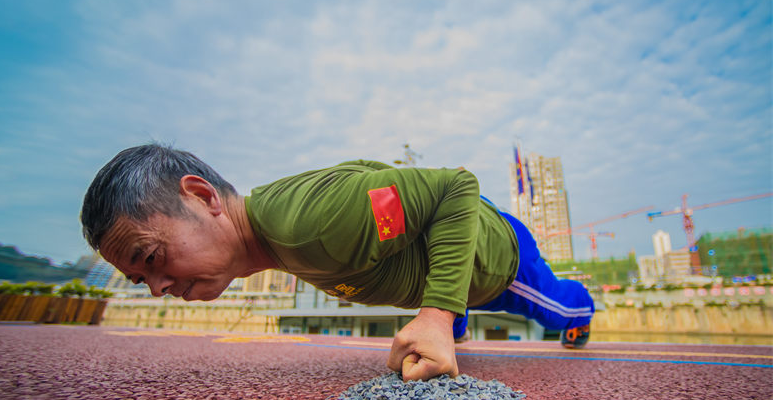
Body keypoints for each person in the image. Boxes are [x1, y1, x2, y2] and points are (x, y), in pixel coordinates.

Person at [81, 144, 594, 381]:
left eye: (150, 258)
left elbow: (453, 188)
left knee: (555, 308)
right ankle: (450, 315)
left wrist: (436, 315)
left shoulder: (313, 223)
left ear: (202, 196)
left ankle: (578, 312)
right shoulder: (276, 239)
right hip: (457, 263)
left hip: (502, 262)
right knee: (439, 312)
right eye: (140, 278)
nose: (157, 287)